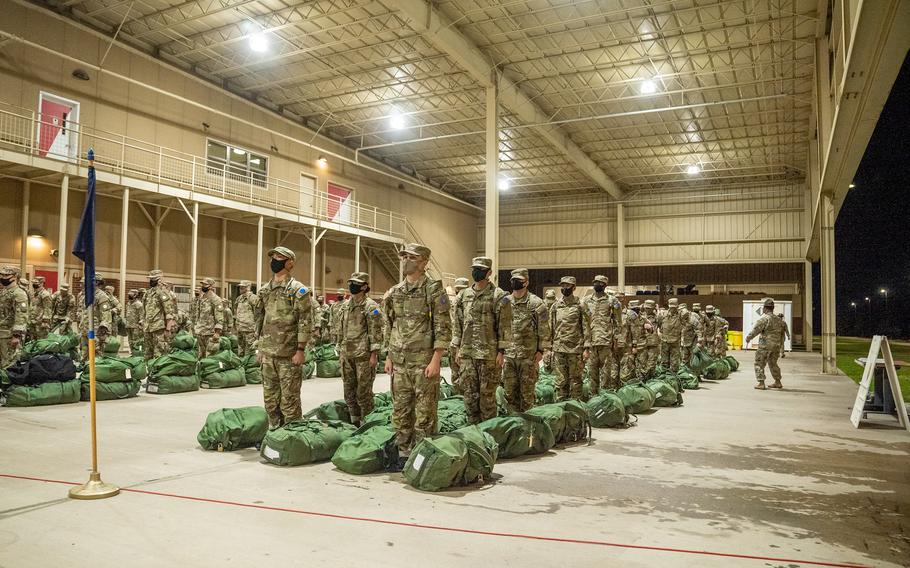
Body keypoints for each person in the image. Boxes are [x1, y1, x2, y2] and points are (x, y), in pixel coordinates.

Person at [381, 243, 451, 465]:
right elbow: (389, 325)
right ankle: (403, 454)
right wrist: (389, 356)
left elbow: (443, 326)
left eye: (411, 257)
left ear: (423, 263)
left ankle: (423, 457)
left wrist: (436, 359)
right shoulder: (395, 292)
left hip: (423, 363)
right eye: (404, 256)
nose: (405, 260)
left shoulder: (434, 290)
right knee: (400, 410)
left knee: (425, 413)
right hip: (400, 362)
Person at [256, 246, 314, 429]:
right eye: (273, 256)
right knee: (270, 400)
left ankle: (291, 437)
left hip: (289, 354)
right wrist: (260, 347)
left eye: (279, 257)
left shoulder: (298, 290)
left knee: (289, 401)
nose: (274, 259)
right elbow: (260, 320)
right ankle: (274, 433)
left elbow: (305, 320)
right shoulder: (265, 290)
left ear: (290, 263)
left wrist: (301, 349)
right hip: (268, 354)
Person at [452, 257, 511, 424]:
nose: (476, 272)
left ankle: (488, 433)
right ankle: (473, 433)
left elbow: (505, 326)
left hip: (489, 356)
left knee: (487, 398)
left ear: (489, 273)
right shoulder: (464, 295)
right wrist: (457, 348)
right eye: (474, 268)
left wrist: (501, 352)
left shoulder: (499, 296)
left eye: (480, 269)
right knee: (469, 397)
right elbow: (458, 323)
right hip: (468, 354)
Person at [337, 272, 383, 426]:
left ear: (364, 287)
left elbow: (375, 331)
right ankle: (354, 422)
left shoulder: (371, 307)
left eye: (355, 284)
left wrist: (374, 354)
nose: (351, 286)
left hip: (363, 355)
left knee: (363, 393)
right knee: (349, 391)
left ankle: (367, 423)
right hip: (347, 354)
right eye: (350, 283)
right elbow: (341, 329)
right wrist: (339, 348)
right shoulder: (345, 306)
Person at [502, 268, 549, 412]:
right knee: (509, 394)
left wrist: (542, 350)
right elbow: (500, 326)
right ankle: (513, 425)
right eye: (513, 280)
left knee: (527, 395)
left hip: (528, 357)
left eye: (519, 280)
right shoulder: (505, 302)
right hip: (509, 356)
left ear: (526, 282)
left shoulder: (537, 303)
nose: (516, 283)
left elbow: (544, 329)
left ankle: (528, 429)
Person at [549, 276, 591, 401]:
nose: (564, 288)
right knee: (560, 381)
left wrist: (586, 348)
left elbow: (586, 327)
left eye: (567, 286)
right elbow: (551, 327)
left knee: (576, 380)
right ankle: (562, 407)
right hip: (559, 349)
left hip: (575, 349)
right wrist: (548, 347)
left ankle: (575, 409)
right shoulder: (556, 306)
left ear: (574, 287)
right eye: (562, 286)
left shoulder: (581, 305)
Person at [583, 275, 622, 395]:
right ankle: (593, 397)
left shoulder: (613, 300)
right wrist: (585, 343)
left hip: (606, 341)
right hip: (591, 342)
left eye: (600, 283)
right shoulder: (586, 300)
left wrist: (616, 339)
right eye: (595, 282)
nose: (597, 285)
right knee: (592, 372)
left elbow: (618, 321)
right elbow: (584, 321)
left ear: (605, 285)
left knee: (606, 372)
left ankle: (605, 396)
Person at [746, 298, 787, 389]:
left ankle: (761, 383)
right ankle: (778, 382)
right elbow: (782, 334)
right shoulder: (779, 320)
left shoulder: (764, 319)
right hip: (776, 346)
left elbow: (755, 330)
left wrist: (748, 338)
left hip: (765, 346)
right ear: (772, 308)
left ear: (765, 308)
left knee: (759, 363)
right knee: (773, 363)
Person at [143, 269, 177, 360]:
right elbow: (145, 310)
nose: (150, 281)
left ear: (159, 280)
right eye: (150, 279)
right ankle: (148, 372)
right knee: (147, 353)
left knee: (159, 353)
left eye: (153, 279)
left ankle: (157, 373)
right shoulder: (148, 293)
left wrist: (168, 329)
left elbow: (169, 312)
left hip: (159, 328)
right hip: (148, 327)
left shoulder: (163, 292)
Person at [0, 266, 28, 368]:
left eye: (6, 275)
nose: (3, 277)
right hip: (2, 332)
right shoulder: (4, 291)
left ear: (15, 276)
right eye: (1, 275)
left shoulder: (19, 293)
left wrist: (16, 336)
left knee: (9, 364)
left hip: (9, 335)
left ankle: (7, 383)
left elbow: (21, 315)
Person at [78, 274, 114, 354]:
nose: (84, 284)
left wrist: (103, 330)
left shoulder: (102, 296)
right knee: (83, 353)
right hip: (85, 329)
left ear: (96, 282)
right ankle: (84, 366)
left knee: (96, 354)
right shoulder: (86, 295)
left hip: (95, 331)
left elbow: (106, 313)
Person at [448, 277, 470, 393]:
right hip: (456, 343)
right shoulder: (451, 303)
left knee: (464, 373)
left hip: (464, 343)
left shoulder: (469, 304)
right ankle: (459, 395)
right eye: (458, 290)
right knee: (457, 372)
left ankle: (462, 395)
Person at [194, 277, 225, 358]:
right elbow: (199, 314)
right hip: (200, 331)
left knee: (210, 356)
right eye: (202, 284)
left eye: (205, 285)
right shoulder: (202, 298)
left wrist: (217, 332)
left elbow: (219, 316)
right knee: (200, 356)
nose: (203, 286)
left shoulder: (216, 299)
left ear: (211, 287)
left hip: (210, 333)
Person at [656, 298, 683, 373]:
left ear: (677, 307)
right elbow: (659, 325)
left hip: (675, 342)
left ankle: (673, 378)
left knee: (674, 363)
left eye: (674, 307)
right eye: (671, 307)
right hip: (665, 341)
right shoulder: (662, 315)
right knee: (664, 362)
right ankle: (665, 378)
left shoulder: (681, 315)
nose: (672, 309)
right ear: (669, 306)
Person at [234, 280, 260, 357]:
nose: (240, 288)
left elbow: (258, 314)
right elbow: (236, 311)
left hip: (250, 330)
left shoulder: (253, 298)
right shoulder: (239, 299)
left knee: (250, 351)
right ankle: (241, 366)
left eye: (243, 287)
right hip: (240, 328)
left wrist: (257, 330)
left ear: (248, 287)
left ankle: (249, 366)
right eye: (240, 287)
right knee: (240, 351)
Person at [619, 299, 642, 383]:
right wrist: (635, 346)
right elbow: (635, 332)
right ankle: (626, 388)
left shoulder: (621, 314)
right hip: (627, 346)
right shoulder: (633, 315)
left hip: (618, 345)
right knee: (628, 367)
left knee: (617, 367)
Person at [637, 299, 659, 378]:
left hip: (653, 343)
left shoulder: (657, 317)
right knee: (642, 362)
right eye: (646, 308)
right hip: (642, 343)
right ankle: (642, 379)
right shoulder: (640, 316)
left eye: (649, 308)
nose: (647, 309)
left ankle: (650, 379)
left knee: (651, 363)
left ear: (653, 308)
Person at [28, 276, 53, 340]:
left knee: (41, 341)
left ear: (42, 283)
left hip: (40, 323)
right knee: (32, 340)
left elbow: (47, 309)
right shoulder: (34, 294)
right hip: (33, 321)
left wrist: (45, 322)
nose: (34, 285)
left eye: (36, 283)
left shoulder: (45, 294)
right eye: (33, 283)